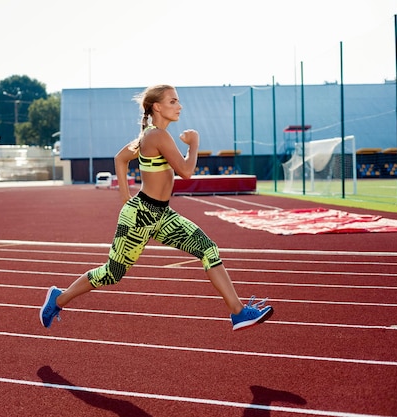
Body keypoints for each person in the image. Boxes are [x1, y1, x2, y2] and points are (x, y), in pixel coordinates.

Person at [40, 84, 273, 331]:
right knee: (112, 274)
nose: (179, 106)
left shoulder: (150, 135)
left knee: (208, 249)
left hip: (162, 214)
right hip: (140, 215)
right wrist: (194, 144)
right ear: (157, 107)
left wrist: (124, 197)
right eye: (173, 101)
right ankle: (59, 298)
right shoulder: (156, 136)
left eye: (178, 101)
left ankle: (237, 312)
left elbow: (120, 158)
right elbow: (185, 171)